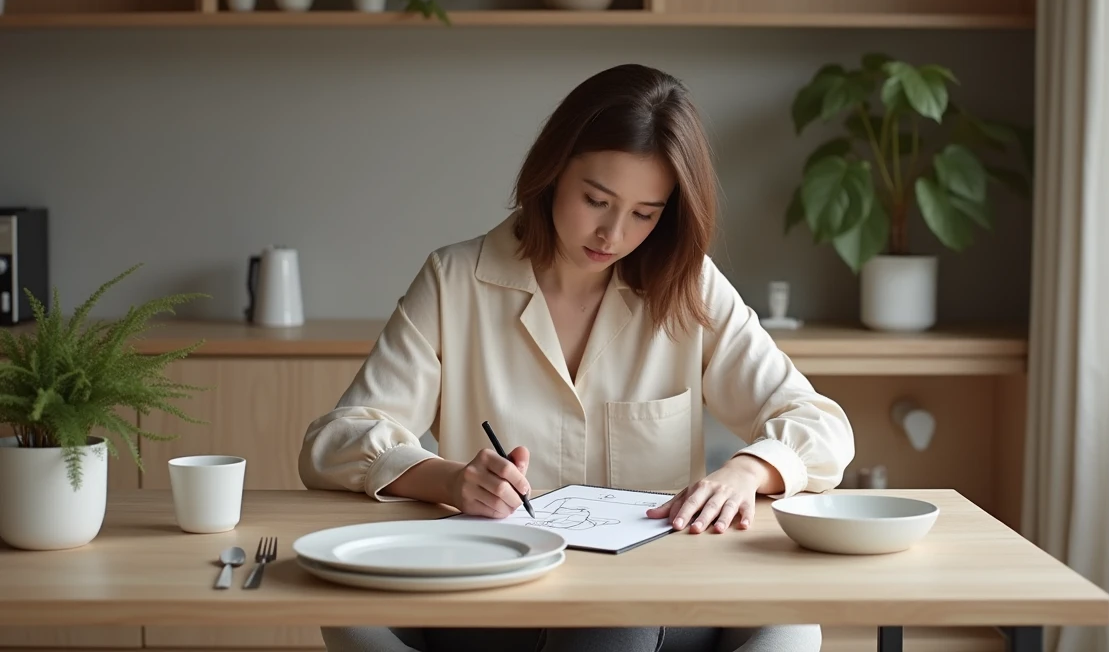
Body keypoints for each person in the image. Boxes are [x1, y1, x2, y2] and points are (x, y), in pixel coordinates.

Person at [299, 63, 856, 652]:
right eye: (596, 200)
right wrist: (452, 480)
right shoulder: (455, 280)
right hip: (495, 588)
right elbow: (335, 441)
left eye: (645, 213)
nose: (612, 234)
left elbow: (820, 425)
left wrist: (747, 471)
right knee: (346, 612)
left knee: (786, 627)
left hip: (650, 589)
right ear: (553, 171)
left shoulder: (687, 285)